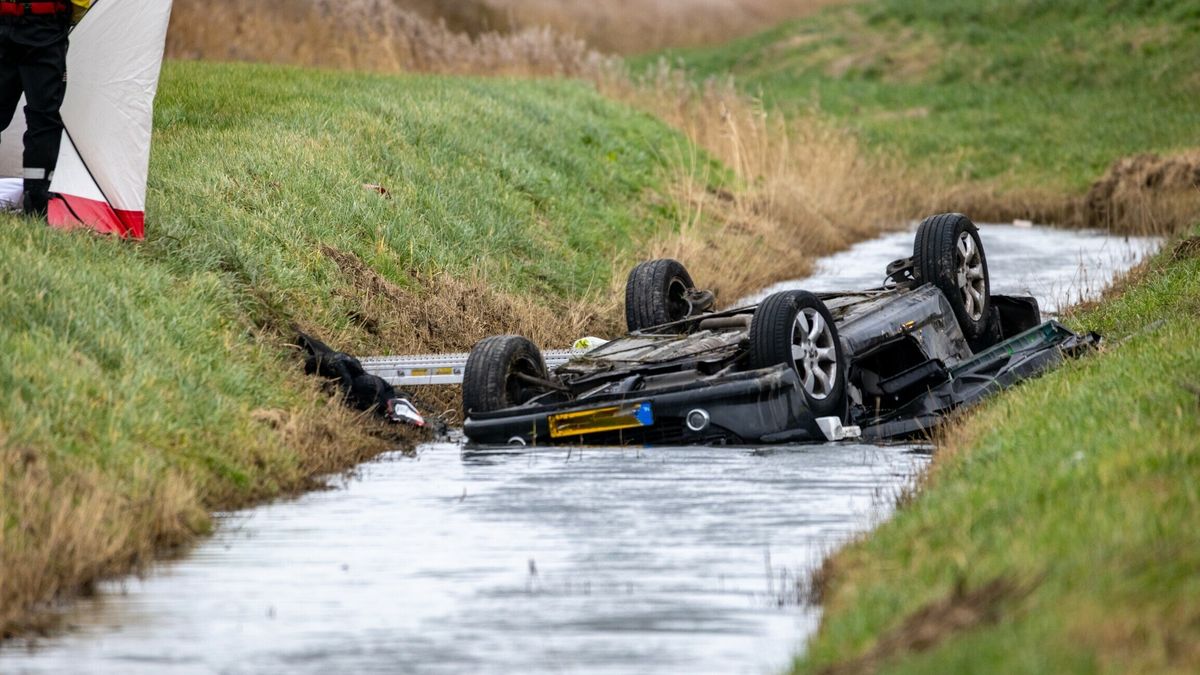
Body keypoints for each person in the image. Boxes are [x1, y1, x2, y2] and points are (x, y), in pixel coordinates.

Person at [0, 0, 90, 218]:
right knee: (43, 119)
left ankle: (37, 203)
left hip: (37, 25)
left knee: (43, 119)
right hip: (38, 24)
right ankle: (36, 205)